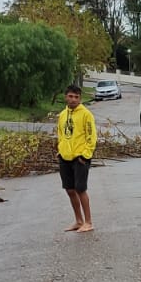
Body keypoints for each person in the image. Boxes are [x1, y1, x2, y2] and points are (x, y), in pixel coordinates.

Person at [56, 84, 96, 233]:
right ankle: (78, 221)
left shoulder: (86, 115)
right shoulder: (62, 115)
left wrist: (85, 155)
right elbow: (60, 133)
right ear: (66, 97)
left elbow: (91, 137)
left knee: (81, 189)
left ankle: (88, 222)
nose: (73, 99)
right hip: (65, 157)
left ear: (80, 99)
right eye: (70, 96)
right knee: (70, 190)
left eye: (76, 97)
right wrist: (60, 150)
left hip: (80, 158)